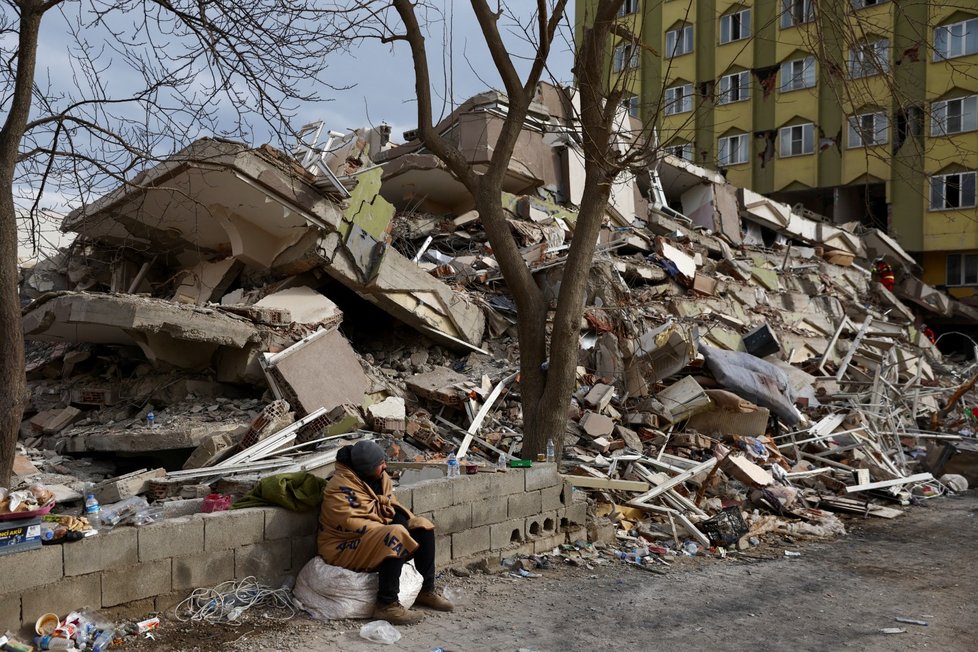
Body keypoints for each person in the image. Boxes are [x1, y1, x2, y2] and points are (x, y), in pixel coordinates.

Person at [317, 439, 453, 624]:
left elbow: (389, 507)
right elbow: (351, 522)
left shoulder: (379, 478)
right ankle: (386, 605)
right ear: (366, 468)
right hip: (342, 545)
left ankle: (425, 590)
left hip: (374, 536)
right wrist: (394, 529)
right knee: (394, 534)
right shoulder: (339, 487)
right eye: (380, 464)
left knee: (422, 526)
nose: (385, 467)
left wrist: (400, 524)